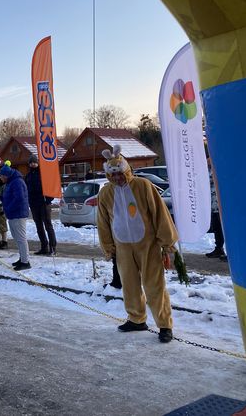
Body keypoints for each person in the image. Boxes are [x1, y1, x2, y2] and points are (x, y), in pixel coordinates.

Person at [96, 145, 178, 343]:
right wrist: (108, 247)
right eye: (112, 175)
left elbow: (160, 214)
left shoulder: (143, 186)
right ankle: (136, 319)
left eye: (119, 173)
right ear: (109, 176)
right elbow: (103, 222)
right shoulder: (106, 193)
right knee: (129, 286)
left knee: (154, 286)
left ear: (126, 170)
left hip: (147, 245)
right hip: (123, 247)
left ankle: (164, 325)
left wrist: (167, 243)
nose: (117, 178)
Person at [0, 161, 31, 270]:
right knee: (17, 237)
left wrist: (7, 208)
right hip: (13, 214)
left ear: (6, 175)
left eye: (2, 177)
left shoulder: (17, 182)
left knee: (21, 238)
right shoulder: (10, 182)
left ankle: (25, 261)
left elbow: (19, 199)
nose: (1, 179)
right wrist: (1, 198)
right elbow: (10, 197)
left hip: (18, 214)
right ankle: (22, 258)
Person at [24, 155, 57, 255]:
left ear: (37, 163)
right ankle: (44, 247)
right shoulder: (28, 176)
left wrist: (48, 200)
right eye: (31, 163)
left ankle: (53, 247)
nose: (33, 164)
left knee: (48, 226)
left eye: (34, 162)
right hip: (34, 204)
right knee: (39, 227)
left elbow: (51, 187)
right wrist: (29, 201)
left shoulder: (43, 173)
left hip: (44, 204)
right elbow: (26, 189)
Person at [206, 163, 227, 261]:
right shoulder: (209, 169)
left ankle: (229, 252)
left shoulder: (219, 168)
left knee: (225, 229)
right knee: (217, 228)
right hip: (214, 205)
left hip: (222, 206)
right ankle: (219, 249)